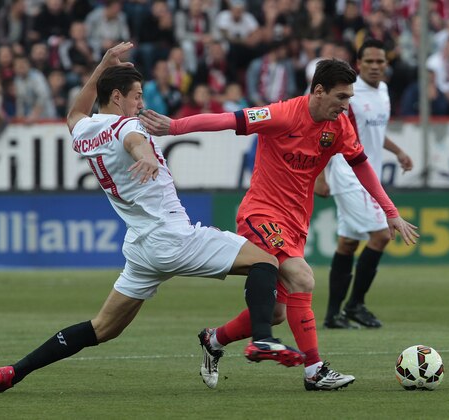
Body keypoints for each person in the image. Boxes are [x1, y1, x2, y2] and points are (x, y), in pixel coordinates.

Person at [0, 42, 303, 394]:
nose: (140, 103)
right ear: (117, 97)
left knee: (103, 328)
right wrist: (145, 154)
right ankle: (264, 340)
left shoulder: (85, 132)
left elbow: (74, 112)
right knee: (266, 261)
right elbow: (134, 140)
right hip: (173, 237)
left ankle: (14, 371)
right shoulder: (126, 127)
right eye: (136, 96)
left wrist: (102, 64)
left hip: (141, 246)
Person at [140, 58, 419, 391]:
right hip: (261, 214)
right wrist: (173, 127)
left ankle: (214, 339)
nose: (347, 105)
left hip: (296, 222)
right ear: (318, 91)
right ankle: (315, 371)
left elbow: (362, 166)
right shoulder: (282, 114)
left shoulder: (339, 126)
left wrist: (389, 210)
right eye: (341, 97)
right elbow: (226, 120)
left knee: (276, 314)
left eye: (349, 97)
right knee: (303, 276)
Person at [314, 39, 413, 330]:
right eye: (368, 61)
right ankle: (355, 304)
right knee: (381, 236)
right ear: (359, 64)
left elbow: (375, 132)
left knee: (348, 243)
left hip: (368, 173)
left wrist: (397, 152)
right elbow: (325, 129)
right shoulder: (350, 97)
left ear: (386, 64)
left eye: (380, 61)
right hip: (348, 172)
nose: (374, 66)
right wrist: (320, 175)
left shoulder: (382, 92)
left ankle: (333, 315)